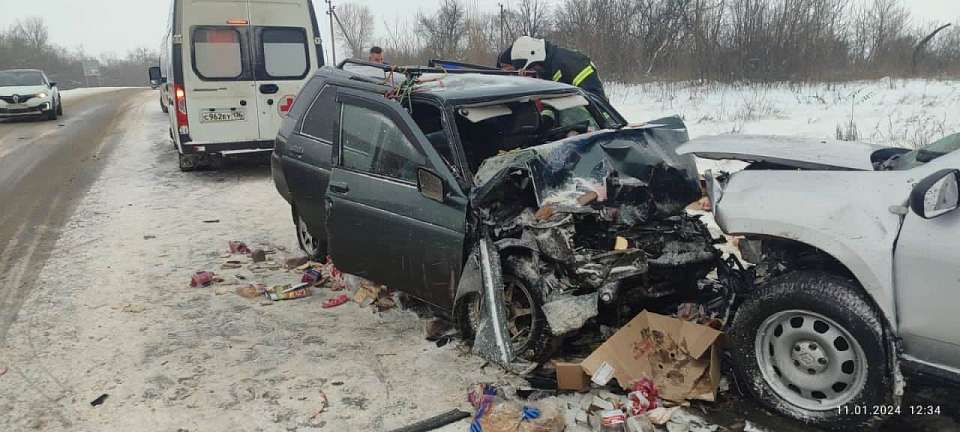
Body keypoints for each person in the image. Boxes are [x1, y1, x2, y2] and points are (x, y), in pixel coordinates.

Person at [499, 36, 607, 101]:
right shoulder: (548, 67)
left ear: (536, 59)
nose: (532, 73)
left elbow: (594, 98)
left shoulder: (571, 63)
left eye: (531, 68)